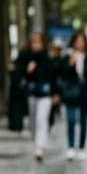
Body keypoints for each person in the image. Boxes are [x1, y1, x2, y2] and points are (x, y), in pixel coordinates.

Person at [15, 31, 59, 160]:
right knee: (33, 121)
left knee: (42, 119)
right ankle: (37, 143)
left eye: (39, 42)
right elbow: (19, 74)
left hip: (45, 94)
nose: (36, 45)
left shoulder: (47, 58)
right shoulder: (25, 57)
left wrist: (55, 94)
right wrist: (27, 71)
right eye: (34, 42)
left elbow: (53, 77)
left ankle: (40, 146)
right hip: (32, 93)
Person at [61, 31, 87, 160]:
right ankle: (71, 147)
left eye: (82, 41)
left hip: (85, 92)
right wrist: (71, 64)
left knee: (83, 121)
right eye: (77, 41)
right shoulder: (67, 56)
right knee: (71, 120)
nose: (79, 44)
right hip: (71, 92)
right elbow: (63, 74)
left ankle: (82, 147)